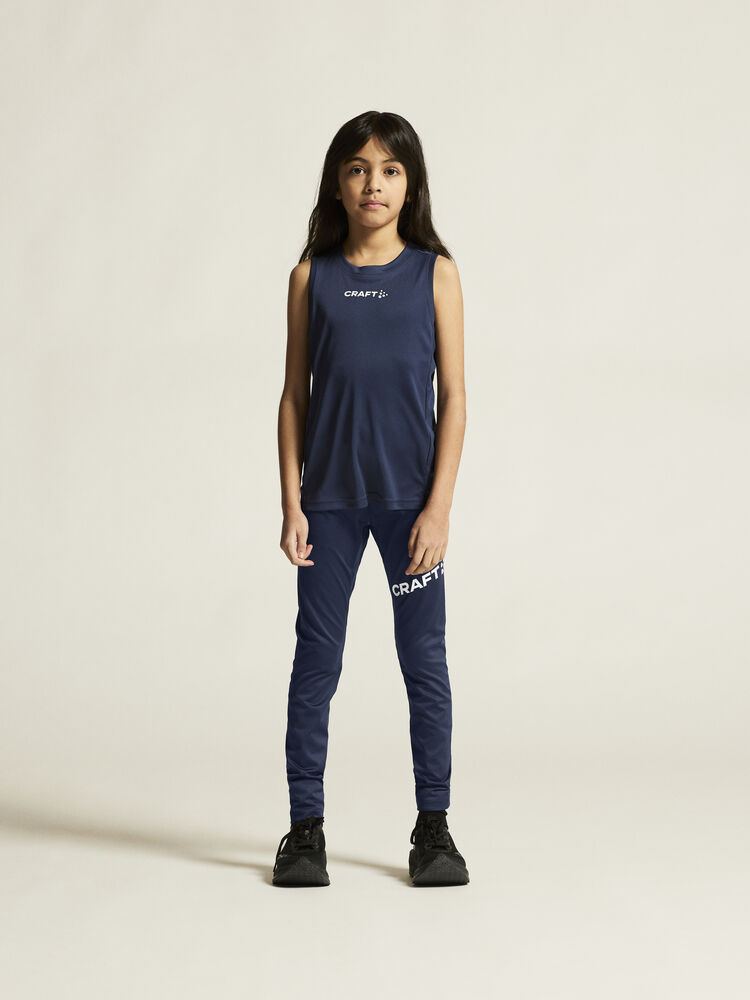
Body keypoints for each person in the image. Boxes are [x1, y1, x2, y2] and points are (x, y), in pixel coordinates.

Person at [274, 111, 469, 888]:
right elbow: (293, 397)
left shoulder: (435, 274)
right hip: (327, 504)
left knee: (424, 662)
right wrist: (291, 504)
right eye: (357, 168)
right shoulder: (310, 277)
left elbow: (455, 398)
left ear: (410, 185)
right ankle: (305, 830)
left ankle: (434, 828)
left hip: (410, 509)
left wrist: (438, 509)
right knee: (316, 662)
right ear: (337, 182)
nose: (373, 184)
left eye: (389, 170)